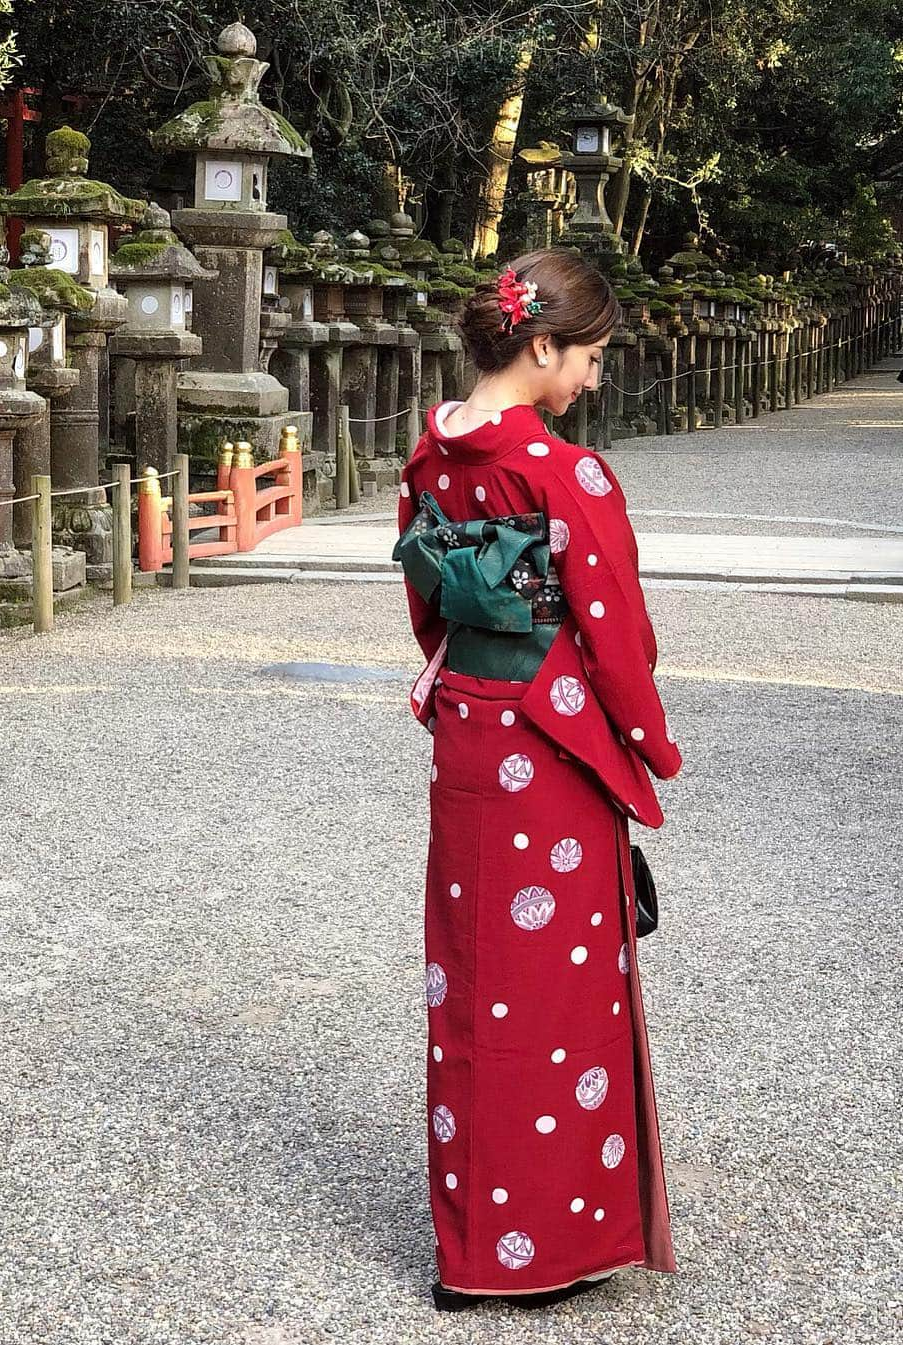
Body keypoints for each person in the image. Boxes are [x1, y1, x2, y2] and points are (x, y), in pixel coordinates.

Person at [395, 249, 683, 1311]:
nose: (593, 382)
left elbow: (432, 606)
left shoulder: (431, 458)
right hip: (551, 754)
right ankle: (542, 1245)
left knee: (469, 982)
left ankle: (473, 1244)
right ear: (543, 344)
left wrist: (475, 674)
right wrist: (649, 741)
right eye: (591, 358)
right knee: (557, 993)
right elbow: (612, 633)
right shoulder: (566, 473)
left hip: (469, 729)